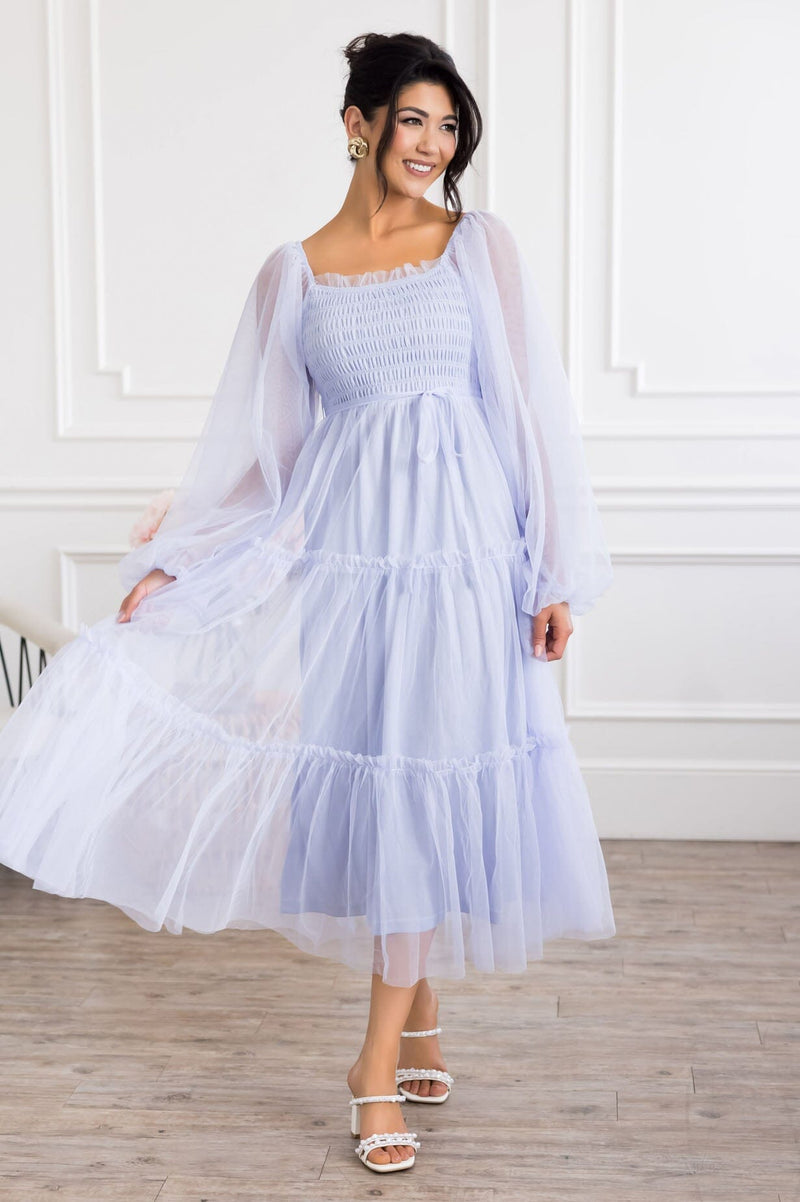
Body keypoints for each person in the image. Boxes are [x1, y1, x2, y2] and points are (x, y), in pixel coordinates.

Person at [0, 31, 616, 1175]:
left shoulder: (476, 246)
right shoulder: (292, 273)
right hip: (350, 568)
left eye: (448, 126)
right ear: (357, 123)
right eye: (412, 119)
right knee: (387, 791)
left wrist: (552, 572)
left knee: (429, 779)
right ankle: (416, 1021)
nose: (431, 145)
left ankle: (372, 1063)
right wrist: (179, 562)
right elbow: (266, 454)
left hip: (464, 565)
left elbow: (528, 415)